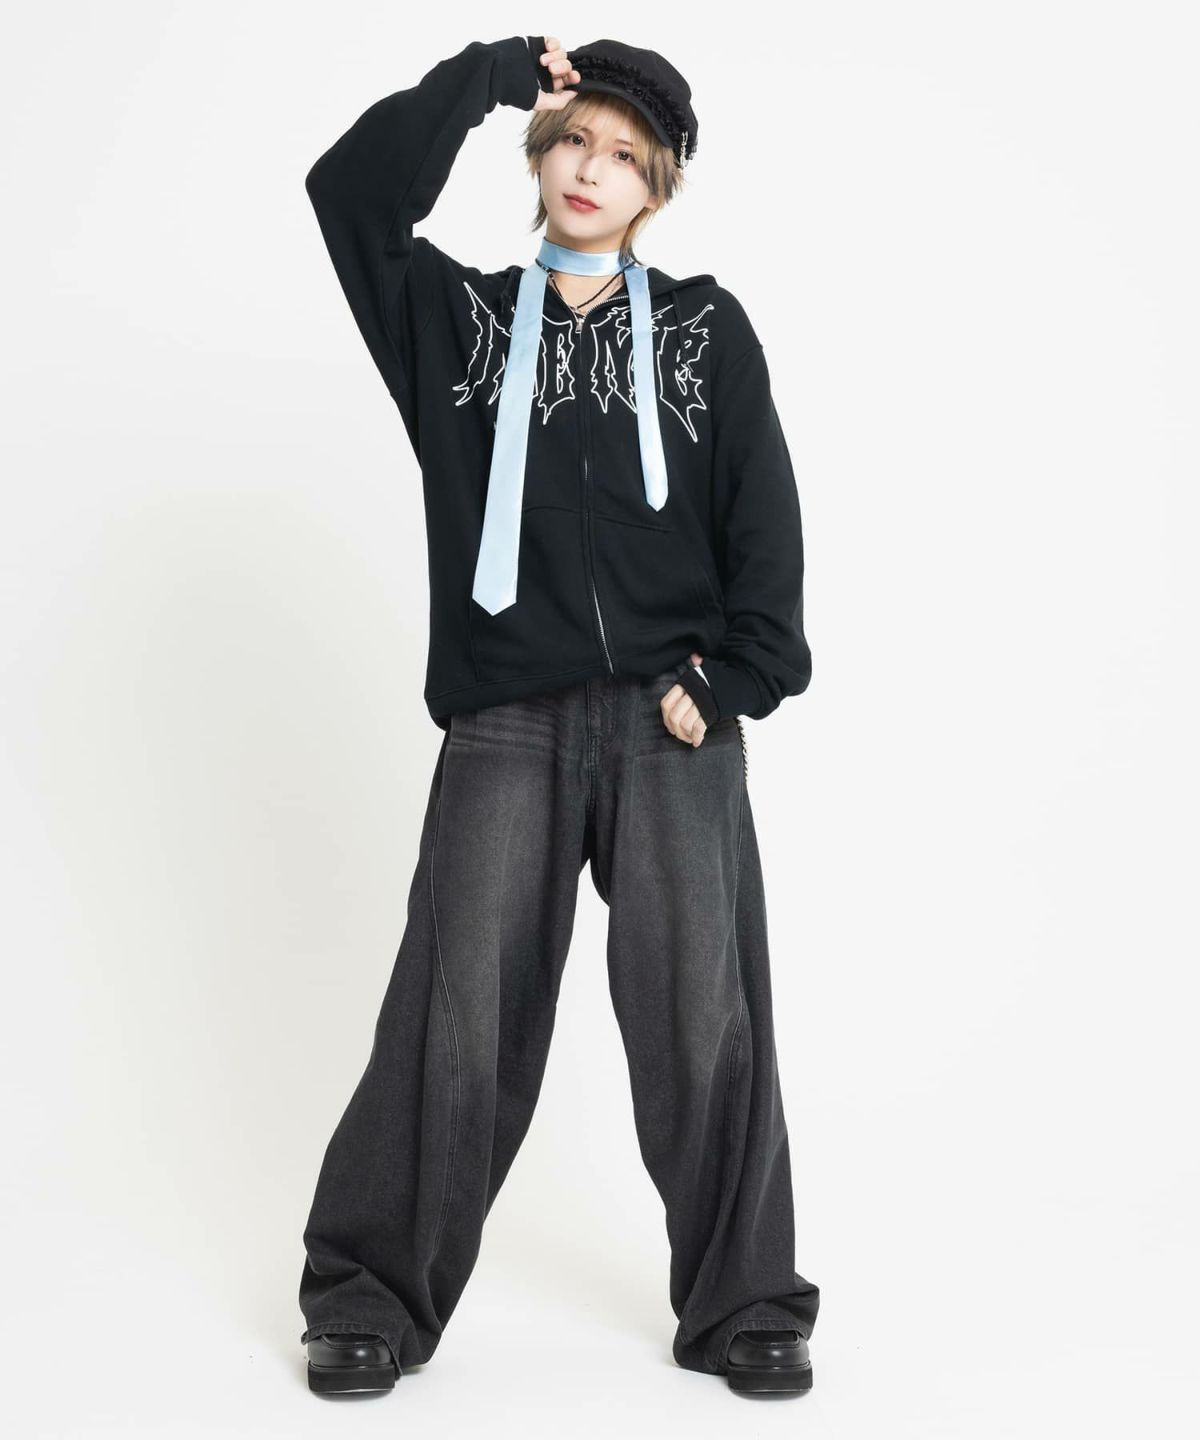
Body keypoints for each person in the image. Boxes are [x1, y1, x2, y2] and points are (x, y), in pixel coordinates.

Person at [297, 34, 820, 1398]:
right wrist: (483, 78)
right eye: (576, 139)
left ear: (660, 188)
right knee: (456, 1012)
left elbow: (764, 526)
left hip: (672, 722)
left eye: (626, 157)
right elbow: (350, 193)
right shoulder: (456, 324)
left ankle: (746, 1301)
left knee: (705, 1013)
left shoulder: (705, 330)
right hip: (507, 723)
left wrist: (732, 680)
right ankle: (370, 1294)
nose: (593, 169)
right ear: (541, 151)